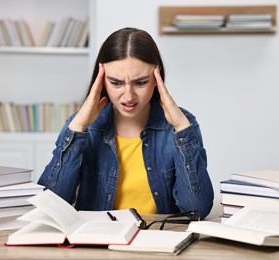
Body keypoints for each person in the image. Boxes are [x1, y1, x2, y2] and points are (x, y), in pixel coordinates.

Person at [38, 27, 214, 218]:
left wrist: (181, 128)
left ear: (157, 79)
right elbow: (49, 207)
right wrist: (78, 126)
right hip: (98, 240)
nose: (128, 96)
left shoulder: (183, 125)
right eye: (116, 83)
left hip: (158, 240)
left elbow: (197, 210)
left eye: (140, 83)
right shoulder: (81, 126)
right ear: (102, 80)